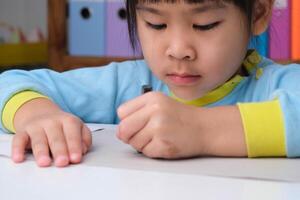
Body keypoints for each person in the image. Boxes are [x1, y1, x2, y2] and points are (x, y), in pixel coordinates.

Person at [1, 0, 299, 168]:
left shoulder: (274, 85)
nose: (178, 49)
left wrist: (201, 131)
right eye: (156, 24)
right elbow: (13, 82)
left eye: (205, 24)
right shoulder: (128, 82)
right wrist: (37, 114)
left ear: (258, 13)